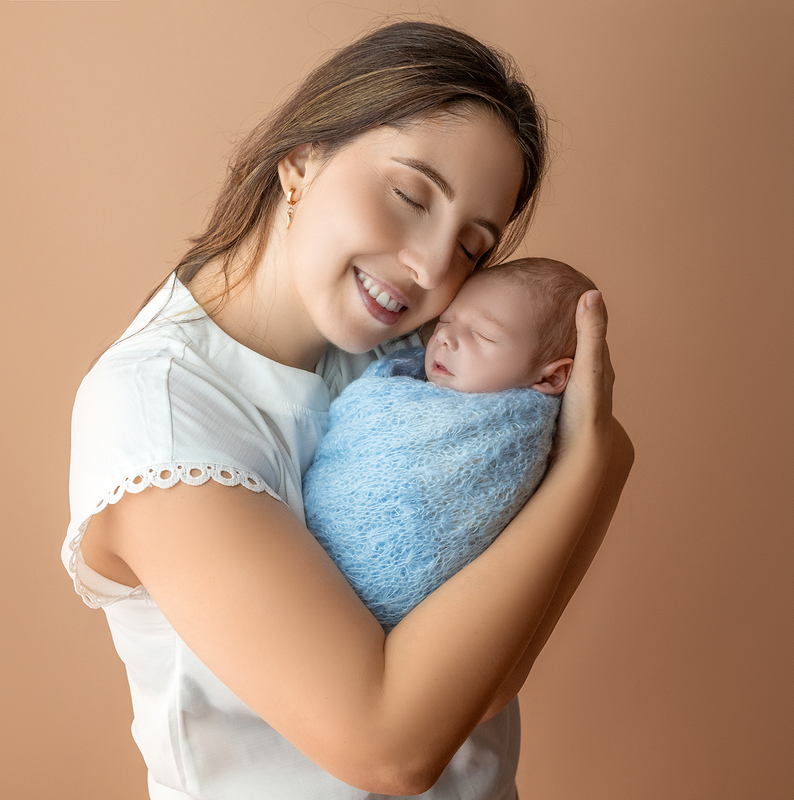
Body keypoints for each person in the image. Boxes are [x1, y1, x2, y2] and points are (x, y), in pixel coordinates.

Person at [63, 20, 633, 800]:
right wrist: (592, 470)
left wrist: (590, 457)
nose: (434, 267)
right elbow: (393, 749)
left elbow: (485, 683)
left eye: (472, 245)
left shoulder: (419, 368)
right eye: (409, 196)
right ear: (300, 161)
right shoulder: (161, 417)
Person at [303, 258, 597, 632]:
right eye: (445, 320)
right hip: (311, 583)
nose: (445, 337)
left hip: (416, 627)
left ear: (552, 376)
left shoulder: (516, 436)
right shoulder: (402, 376)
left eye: (483, 335)